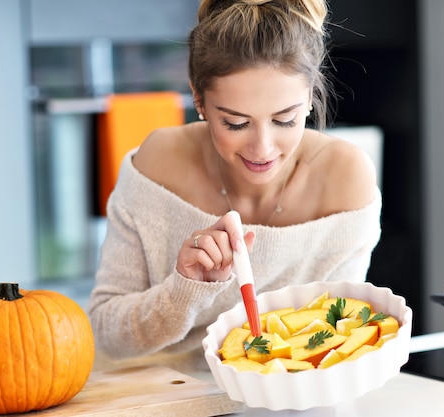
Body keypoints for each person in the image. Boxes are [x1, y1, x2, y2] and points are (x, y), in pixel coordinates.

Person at [88, 0, 381, 372]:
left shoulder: (346, 180)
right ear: (199, 100)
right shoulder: (158, 163)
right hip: (155, 394)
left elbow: (337, 339)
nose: (262, 149)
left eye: (285, 120)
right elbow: (107, 334)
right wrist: (184, 288)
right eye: (236, 124)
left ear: (309, 96)